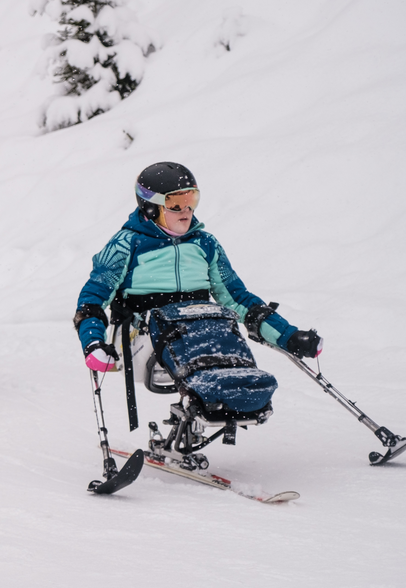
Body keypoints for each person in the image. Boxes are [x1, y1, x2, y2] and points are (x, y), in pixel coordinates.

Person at [73, 162, 322, 416]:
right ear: (150, 206)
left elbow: (236, 297)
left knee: (222, 322)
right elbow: (93, 299)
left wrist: (288, 336)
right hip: (146, 334)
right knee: (187, 328)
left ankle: (240, 387)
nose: (187, 210)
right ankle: (209, 395)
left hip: (197, 330)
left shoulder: (205, 243)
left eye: (192, 199)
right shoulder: (126, 244)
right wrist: (93, 343)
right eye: (176, 204)